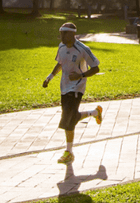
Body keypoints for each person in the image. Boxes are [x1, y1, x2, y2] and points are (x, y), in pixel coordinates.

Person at [43, 22, 103, 165]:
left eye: (64, 33)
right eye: (60, 33)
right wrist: (49, 77)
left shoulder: (83, 49)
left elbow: (96, 68)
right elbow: (60, 63)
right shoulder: (61, 47)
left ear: (72, 34)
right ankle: (95, 112)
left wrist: (80, 76)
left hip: (77, 87)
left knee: (67, 119)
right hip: (64, 87)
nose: (61, 36)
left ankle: (69, 153)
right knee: (71, 117)